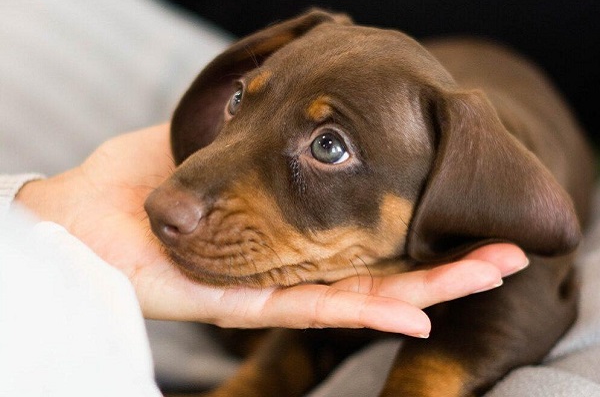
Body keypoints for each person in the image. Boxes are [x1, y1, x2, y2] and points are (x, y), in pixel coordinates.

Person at [1, 123, 528, 395]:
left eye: (328, 148)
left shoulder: (471, 170)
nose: (166, 200)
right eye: (237, 101)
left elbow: (538, 281)